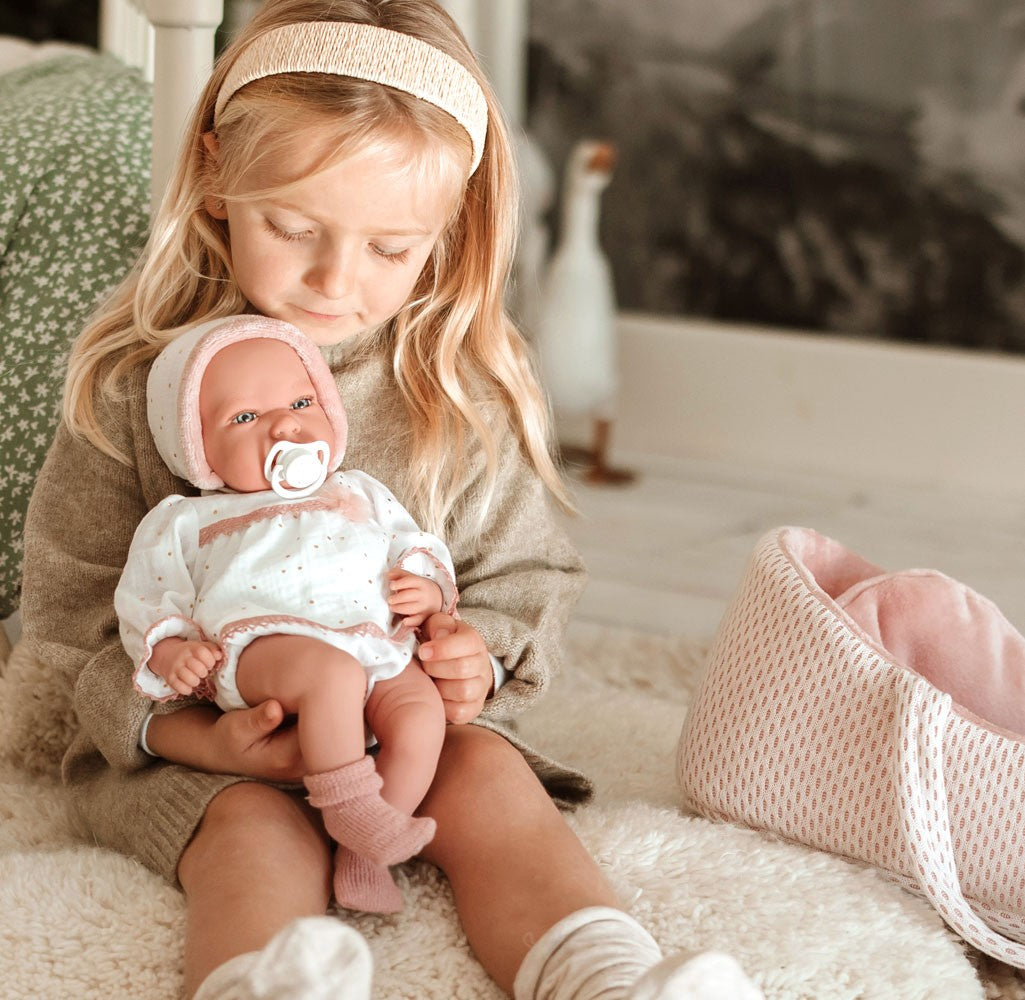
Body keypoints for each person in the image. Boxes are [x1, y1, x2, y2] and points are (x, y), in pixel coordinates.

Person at [20, 2, 764, 998]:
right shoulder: (131, 387)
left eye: (389, 247)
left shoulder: (456, 391)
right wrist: (196, 731)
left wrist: (474, 655)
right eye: (293, 228)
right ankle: (258, 981)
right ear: (213, 180)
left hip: (404, 720)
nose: (335, 280)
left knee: (493, 785)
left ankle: (607, 976)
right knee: (252, 830)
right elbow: (71, 625)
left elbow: (526, 577)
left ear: (445, 229)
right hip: (218, 738)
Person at [117, 315, 457, 914]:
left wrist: (428, 590)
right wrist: (171, 649)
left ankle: (365, 851)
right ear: (199, 451)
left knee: (421, 712)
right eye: (245, 418)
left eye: (302, 401)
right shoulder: (189, 519)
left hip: (374, 641)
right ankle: (353, 811)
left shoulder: (359, 491)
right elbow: (148, 595)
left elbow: (415, 545)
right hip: (263, 650)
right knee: (332, 677)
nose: (285, 423)